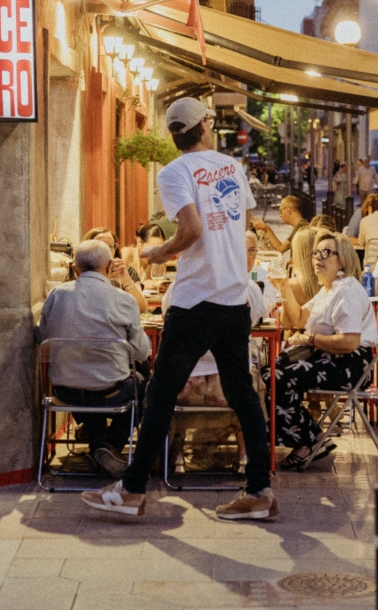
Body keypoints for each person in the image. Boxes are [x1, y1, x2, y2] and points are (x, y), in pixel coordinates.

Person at [81, 97, 277, 520]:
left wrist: (158, 253)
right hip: (233, 298)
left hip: (195, 299)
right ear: (204, 125)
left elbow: (190, 229)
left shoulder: (174, 173)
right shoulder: (231, 166)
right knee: (242, 394)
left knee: (161, 394)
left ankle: (132, 489)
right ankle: (260, 490)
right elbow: (239, 226)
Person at [37, 239, 151, 478]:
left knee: (87, 382)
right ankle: (108, 446)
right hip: (109, 392)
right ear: (109, 266)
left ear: (75, 267)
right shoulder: (123, 300)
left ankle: (99, 445)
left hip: (64, 390)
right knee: (145, 386)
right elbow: (142, 353)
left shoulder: (56, 295)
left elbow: (41, 337)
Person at [267, 230, 378, 469]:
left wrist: (310, 339)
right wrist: (284, 286)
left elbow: (350, 342)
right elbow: (298, 318)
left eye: (326, 252)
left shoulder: (347, 291)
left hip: (351, 365)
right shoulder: (329, 289)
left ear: (342, 260)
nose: (318, 257)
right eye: (316, 252)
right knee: (267, 373)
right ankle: (313, 437)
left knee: (276, 378)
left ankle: (307, 441)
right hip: (332, 358)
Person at [169, 232, 271, 472]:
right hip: (228, 388)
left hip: (184, 388)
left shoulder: (178, 288)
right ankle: (245, 453)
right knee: (248, 383)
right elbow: (256, 319)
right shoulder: (247, 288)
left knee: (166, 379)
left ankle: (176, 448)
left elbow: (168, 319)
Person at [83, 227, 149, 314]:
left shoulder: (126, 271)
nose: (107, 250)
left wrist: (127, 282)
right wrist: (104, 279)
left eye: (110, 246)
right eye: (100, 246)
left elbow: (142, 310)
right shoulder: (82, 273)